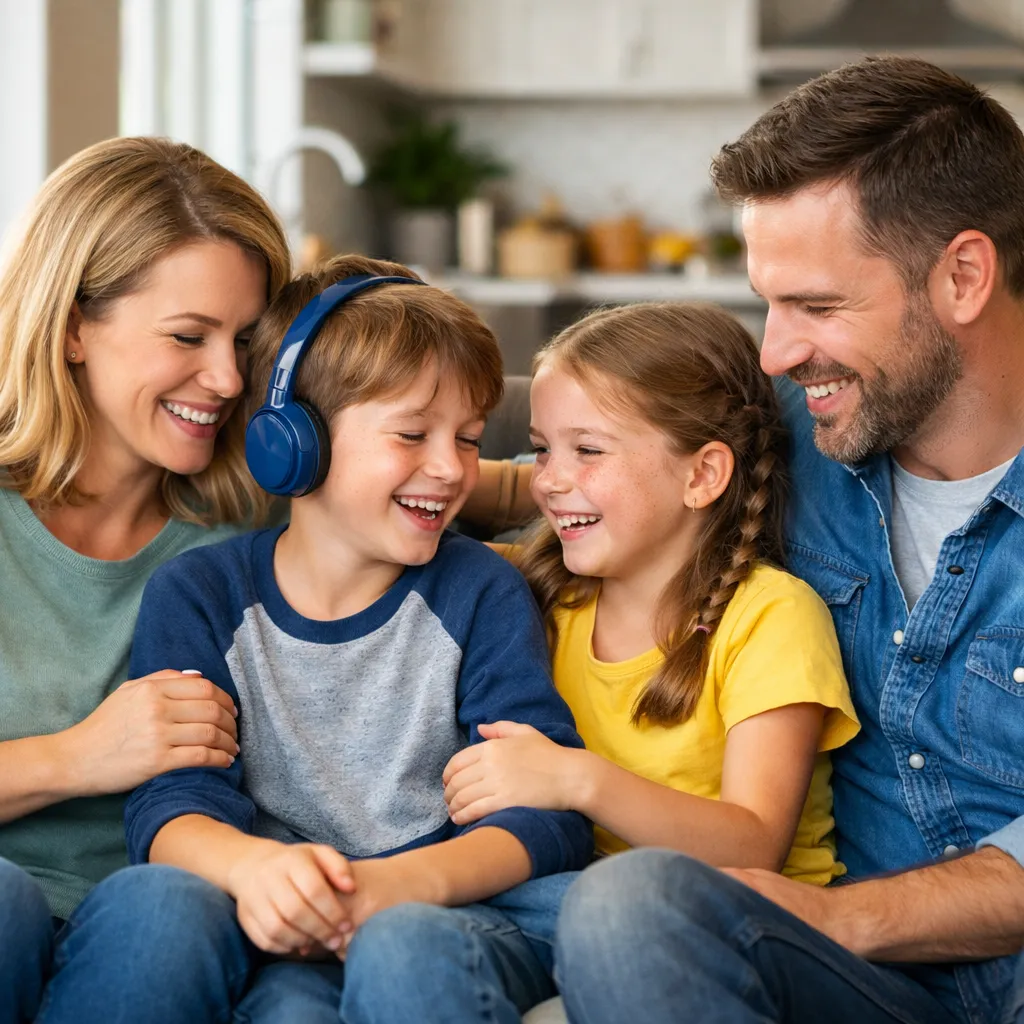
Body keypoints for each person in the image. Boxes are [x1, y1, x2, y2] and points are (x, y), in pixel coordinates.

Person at [553, 56, 1024, 1024]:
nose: (773, 351)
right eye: (768, 302)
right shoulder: (783, 433)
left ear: (962, 277)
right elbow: (600, 479)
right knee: (628, 904)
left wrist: (837, 915)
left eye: (817, 306)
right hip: (852, 984)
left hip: (917, 944)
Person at [124, 254, 593, 1022]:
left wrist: (394, 892)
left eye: (471, 439)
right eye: (412, 433)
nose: (450, 469)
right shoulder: (199, 597)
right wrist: (261, 874)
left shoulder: (480, 590)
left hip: (448, 919)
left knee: (407, 948)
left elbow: (544, 814)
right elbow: (172, 804)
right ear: (292, 441)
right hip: (293, 938)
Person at [0, 137, 290, 1024]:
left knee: (170, 904)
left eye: (243, 341)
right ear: (74, 325)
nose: (228, 378)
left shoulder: (258, 522)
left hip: (160, 916)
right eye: (188, 337)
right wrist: (80, 756)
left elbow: (422, 457)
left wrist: (510, 481)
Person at [443, 302, 858, 884]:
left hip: (733, 926)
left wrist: (577, 779)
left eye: (588, 450)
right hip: (561, 907)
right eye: (542, 449)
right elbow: (422, 558)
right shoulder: (544, 592)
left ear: (702, 475)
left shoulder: (773, 618)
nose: (549, 481)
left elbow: (755, 842)